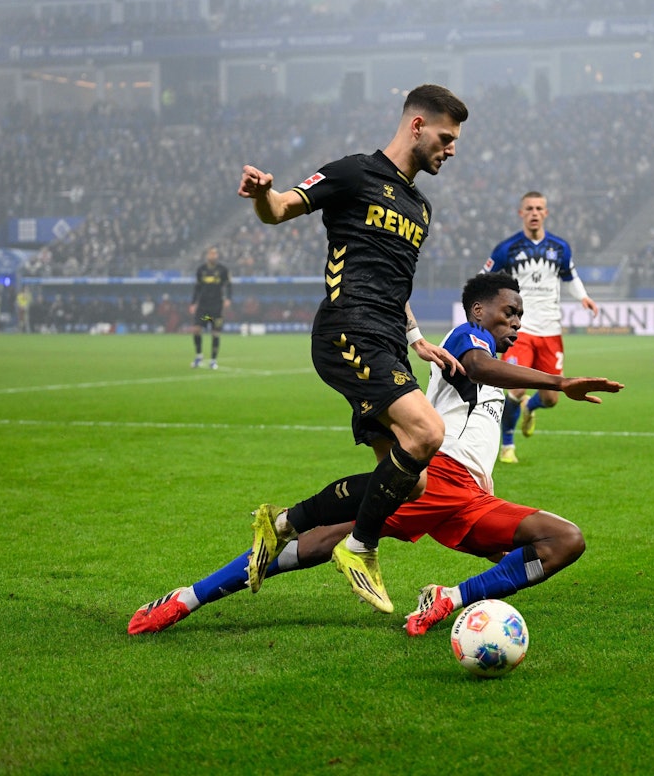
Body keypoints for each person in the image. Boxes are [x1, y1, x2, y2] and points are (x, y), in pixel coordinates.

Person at [128, 272, 624, 636]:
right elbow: (476, 367)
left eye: (520, 315)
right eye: (508, 312)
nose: (516, 322)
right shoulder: (464, 341)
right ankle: (187, 598)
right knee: (327, 541)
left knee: (560, 543)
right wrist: (559, 381)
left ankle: (446, 597)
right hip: (437, 476)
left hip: (469, 493)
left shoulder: (496, 364)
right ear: (479, 312)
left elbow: (484, 406)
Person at [236, 84, 469, 613]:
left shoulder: (421, 207)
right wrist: (262, 195)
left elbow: (395, 284)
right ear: (417, 125)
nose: (451, 149)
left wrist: (417, 339)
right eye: (446, 137)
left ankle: (281, 522)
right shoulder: (353, 172)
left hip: (388, 338)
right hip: (348, 329)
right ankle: (359, 548)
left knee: (411, 481)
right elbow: (280, 208)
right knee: (428, 430)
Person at [480, 191, 599, 465]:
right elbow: (483, 278)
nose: (534, 213)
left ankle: (530, 408)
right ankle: (507, 445)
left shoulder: (560, 247)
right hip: (519, 330)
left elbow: (571, 276)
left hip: (551, 331)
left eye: (539, 208)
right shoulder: (506, 249)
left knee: (551, 398)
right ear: (521, 213)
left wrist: (583, 296)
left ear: (546, 213)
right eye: (529, 208)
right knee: (515, 387)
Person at [189, 246, 232, 369]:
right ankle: (199, 356)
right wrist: (193, 303)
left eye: (215, 254)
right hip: (203, 307)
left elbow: (229, 285)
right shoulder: (201, 270)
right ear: (207, 255)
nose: (213, 256)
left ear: (217, 256)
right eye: (211, 253)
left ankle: (213, 360)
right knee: (197, 329)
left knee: (215, 332)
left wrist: (228, 298)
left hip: (216, 306)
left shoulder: (223, 270)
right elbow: (197, 288)